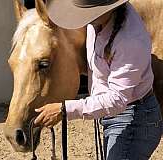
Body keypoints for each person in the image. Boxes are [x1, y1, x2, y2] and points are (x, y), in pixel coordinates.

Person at [34, 0, 162, 159]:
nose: (81, 18)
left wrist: (64, 110)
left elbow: (117, 99)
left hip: (134, 119)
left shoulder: (129, 41)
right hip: (122, 114)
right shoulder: (98, 22)